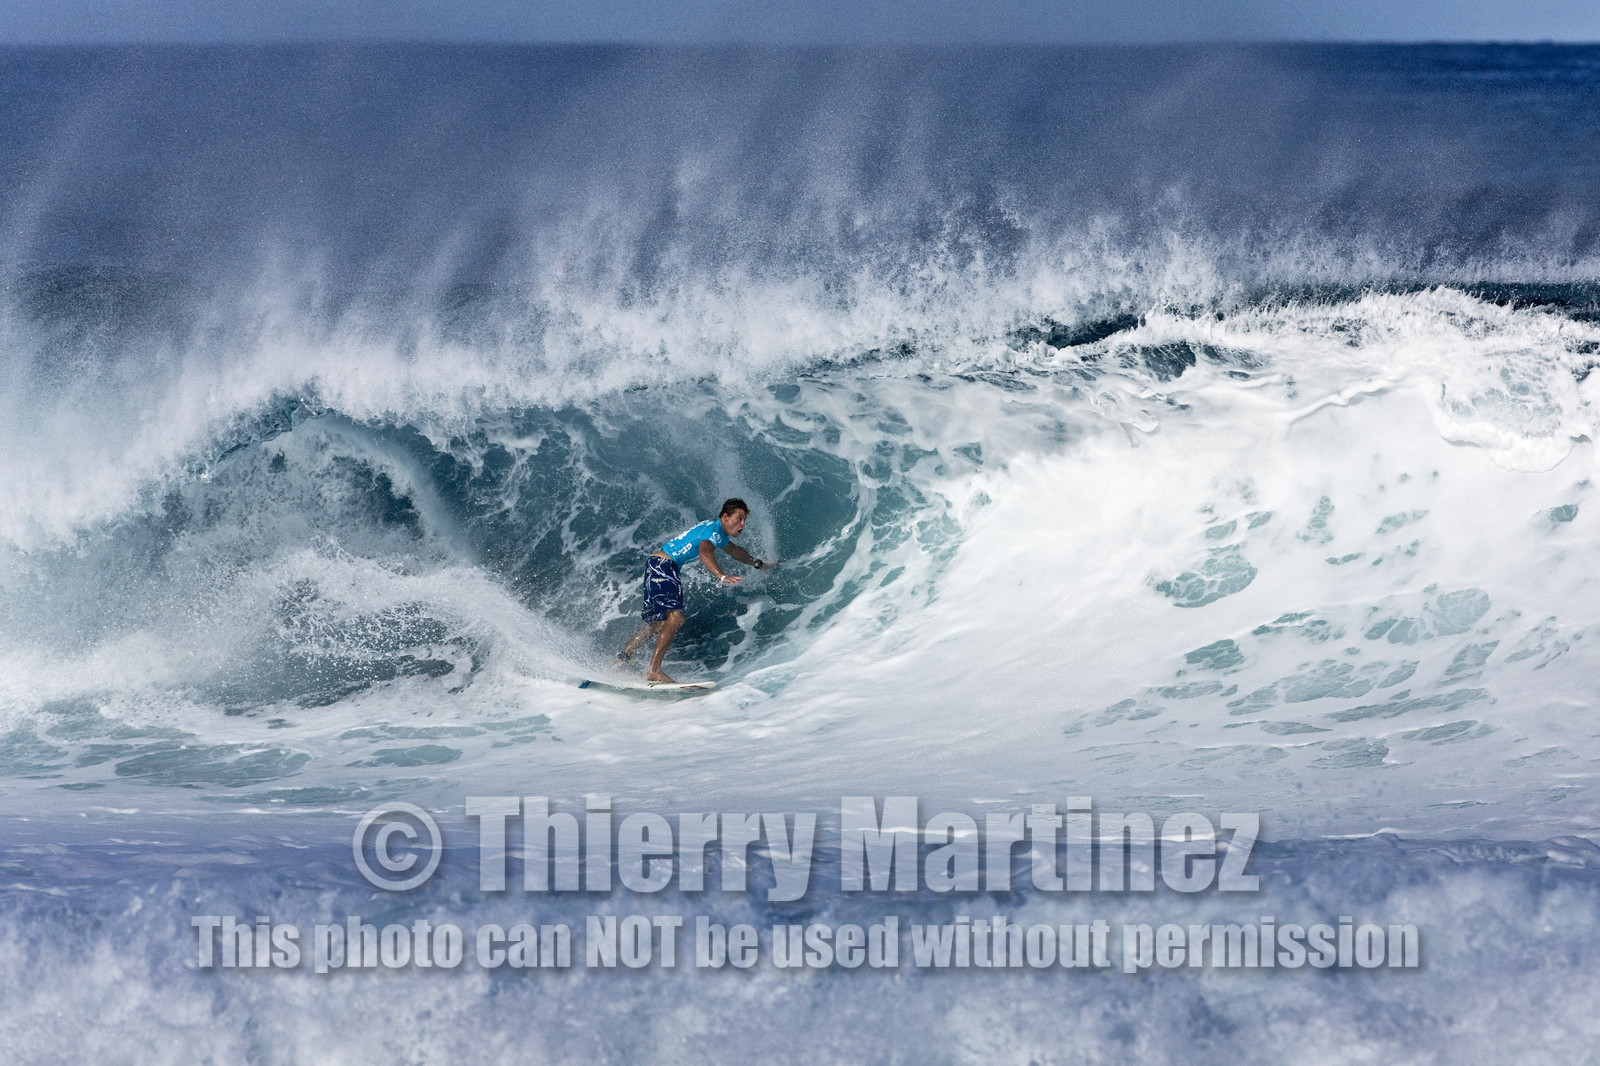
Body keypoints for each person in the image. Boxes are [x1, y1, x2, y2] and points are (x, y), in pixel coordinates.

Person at [617, 498, 772, 683]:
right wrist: (722, 576)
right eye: (739, 518)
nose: (743, 524)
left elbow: (735, 551)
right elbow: (705, 552)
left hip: (658, 564)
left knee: (660, 624)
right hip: (664, 566)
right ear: (725, 516)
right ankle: (654, 671)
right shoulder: (712, 532)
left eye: (745, 519)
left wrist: (758, 564)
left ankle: (621, 661)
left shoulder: (717, 532)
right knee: (675, 618)